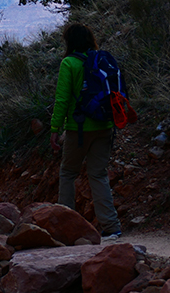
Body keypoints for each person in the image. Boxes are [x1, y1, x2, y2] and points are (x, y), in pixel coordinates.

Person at [49, 23, 122, 239]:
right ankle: (111, 227)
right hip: (105, 126)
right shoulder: (101, 60)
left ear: (69, 41)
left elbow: (61, 100)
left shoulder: (68, 63)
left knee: (68, 173)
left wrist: (55, 129)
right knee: (98, 174)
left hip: (78, 129)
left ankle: (66, 226)